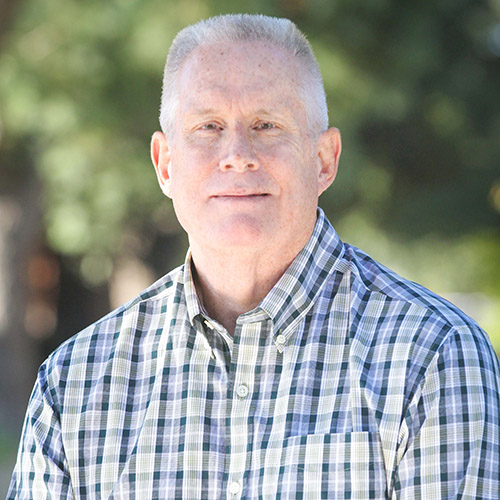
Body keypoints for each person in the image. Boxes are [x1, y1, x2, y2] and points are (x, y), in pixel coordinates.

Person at [7, 13, 500, 500]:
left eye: (266, 124)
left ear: (324, 159)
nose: (237, 153)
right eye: (207, 126)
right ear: (165, 164)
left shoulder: (433, 355)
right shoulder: (75, 382)